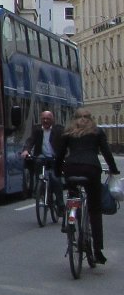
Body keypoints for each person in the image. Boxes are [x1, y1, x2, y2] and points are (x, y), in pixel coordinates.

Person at [56, 109, 120, 264]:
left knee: (73, 194)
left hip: (71, 169)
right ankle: (97, 250)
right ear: (91, 119)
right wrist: (113, 169)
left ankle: (70, 219)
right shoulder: (97, 132)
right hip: (91, 170)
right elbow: (106, 153)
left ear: (74, 119)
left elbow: (60, 154)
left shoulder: (68, 133)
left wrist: (58, 172)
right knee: (95, 209)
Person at [20, 110, 64, 206]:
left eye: (48, 119)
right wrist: (26, 150)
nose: (45, 121)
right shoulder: (37, 129)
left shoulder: (58, 130)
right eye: (43, 119)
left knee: (56, 180)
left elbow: (64, 143)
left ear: (52, 120)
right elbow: (30, 141)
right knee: (39, 163)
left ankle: (60, 204)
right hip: (42, 157)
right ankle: (39, 188)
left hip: (54, 158)